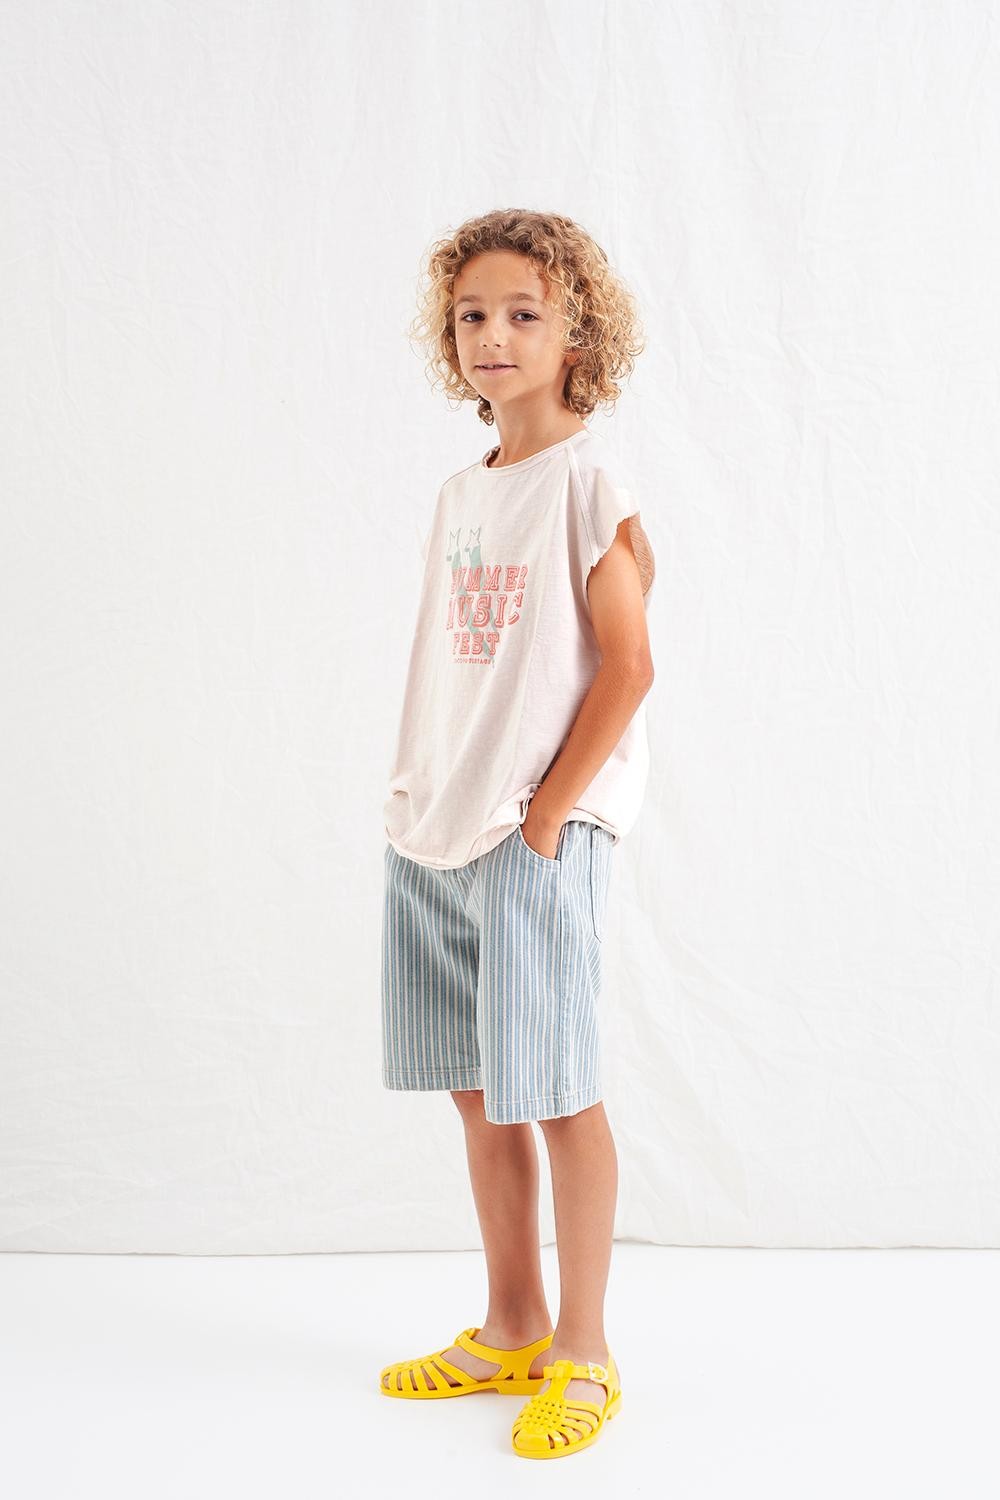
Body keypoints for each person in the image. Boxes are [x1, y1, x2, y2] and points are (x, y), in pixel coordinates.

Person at [378, 208, 655, 1459]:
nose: (493, 335)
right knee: (479, 1092)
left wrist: (546, 814)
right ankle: (511, 1326)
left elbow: (628, 667)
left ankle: (584, 1352)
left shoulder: (589, 486)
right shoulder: (461, 492)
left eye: (524, 314)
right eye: (472, 315)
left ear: (575, 333)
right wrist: (419, 794)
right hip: (436, 824)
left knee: (556, 1090)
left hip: (530, 833)